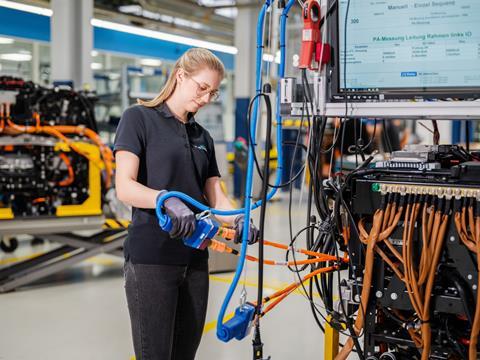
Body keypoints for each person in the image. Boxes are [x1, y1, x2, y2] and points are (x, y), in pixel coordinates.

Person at [114, 48, 259, 360]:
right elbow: (124, 186)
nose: (207, 98)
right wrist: (164, 200)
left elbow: (215, 194)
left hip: (195, 258)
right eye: (202, 88)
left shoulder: (202, 136)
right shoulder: (138, 119)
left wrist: (237, 219)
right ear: (181, 76)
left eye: (214, 92)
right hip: (152, 257)